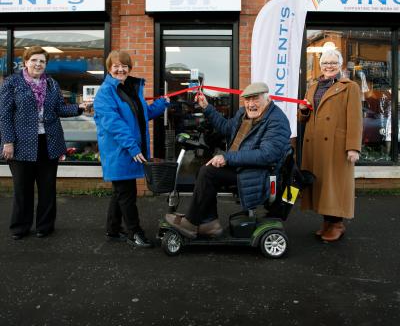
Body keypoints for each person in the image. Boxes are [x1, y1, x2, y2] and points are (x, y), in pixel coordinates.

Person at [165, 82, 291, 238]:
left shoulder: (277, 120)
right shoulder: (243, 114)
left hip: (258, 173)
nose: (251, 104)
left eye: (255, 99)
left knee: (208, 173)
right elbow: (225, 127)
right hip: (240, 166)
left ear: (268, 99)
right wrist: (207, 107)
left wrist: (227, 157)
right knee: (204, 170)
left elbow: (267, 155)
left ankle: (191, 222)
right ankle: (209, 222)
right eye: (247, 100)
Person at [0, 46, 89, 240]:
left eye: (42, 61)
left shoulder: (52, 83)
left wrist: (79, 108)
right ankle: (20, 227)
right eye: (34, 60)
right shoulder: (12, 82)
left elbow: (59, 109)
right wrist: (8, 141)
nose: (38, 64)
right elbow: (4, 115)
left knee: (47, 188)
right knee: (22, 188)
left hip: (49, 142)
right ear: (25, 62)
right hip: (21, 143)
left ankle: (45, 226)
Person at [94, 50, 169, 248]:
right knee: (127, 194)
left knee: (120, 191)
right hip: (120, 151)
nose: (120, 69)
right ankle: (134, 232)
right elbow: (114, 124)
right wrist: (133, 147)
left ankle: (113, 229)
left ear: (129, 68)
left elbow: (141, 116)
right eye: (116, 66)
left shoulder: (129, 89)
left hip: (129, 149)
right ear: (109, 68)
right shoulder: (105, 92)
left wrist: (162, 104)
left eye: (124, 66)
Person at [298, 49, 362, 242]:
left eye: (333, 62)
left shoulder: (349, 87)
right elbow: (305, 117)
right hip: (315, 144)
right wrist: (303, 111)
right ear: (321, 65)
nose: (329, 66)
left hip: (336, 145)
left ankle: (337, 224)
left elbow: (355, 119)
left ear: (340, 64)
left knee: (334, 185)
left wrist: (353, 147)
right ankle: (326, 222)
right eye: (326, 62)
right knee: (322, 184)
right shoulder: (313, 86)